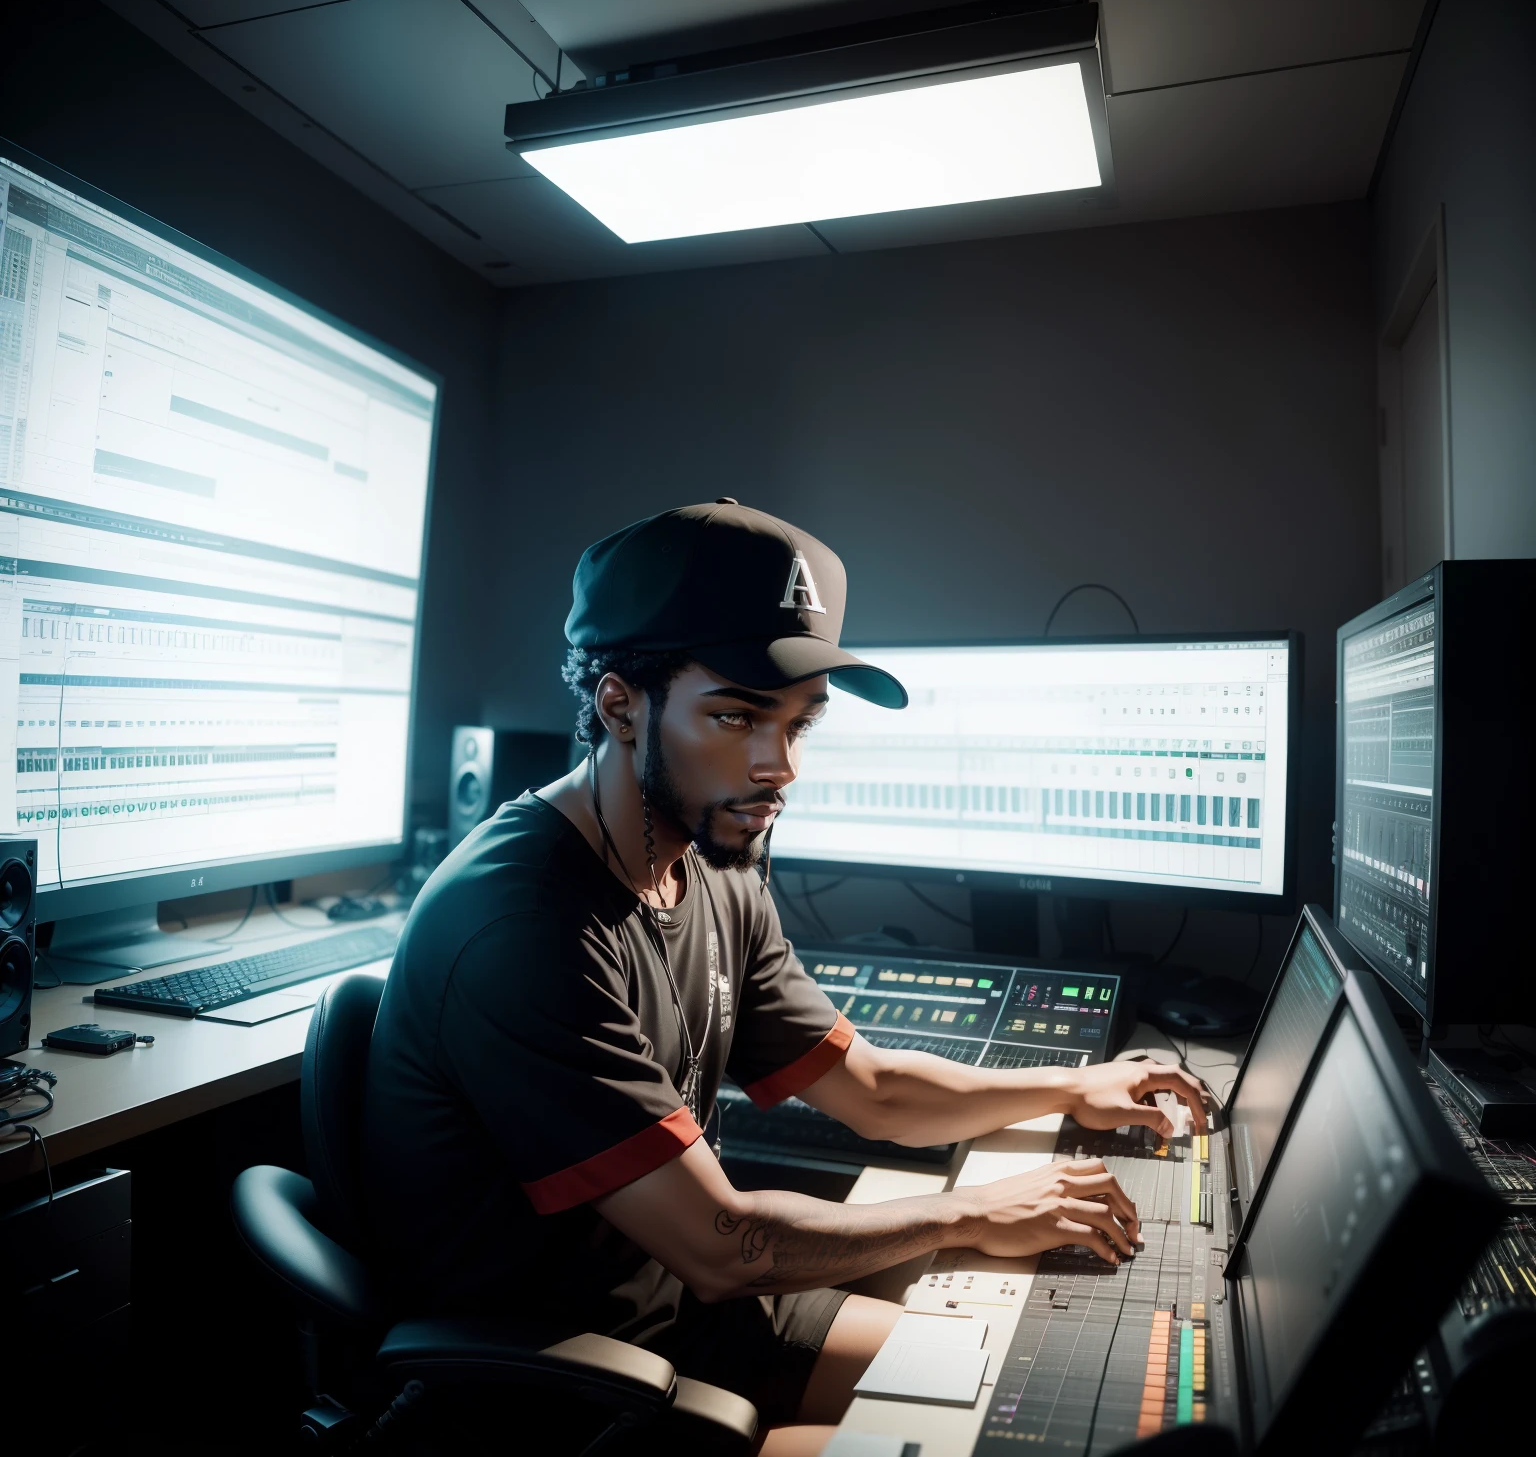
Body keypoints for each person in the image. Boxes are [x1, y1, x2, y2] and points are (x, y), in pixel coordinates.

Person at [362, 500, 1207, 1455]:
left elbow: (871, 1088)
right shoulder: (522, 926)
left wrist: (1071, 1084)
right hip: (564, 1392)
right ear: (620, 704)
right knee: (980, 1441)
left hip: (691, 1315)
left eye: (801, 723)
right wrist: (975, 1209)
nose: (779, 766)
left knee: (1019, 1392)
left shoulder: (711, 857)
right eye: (736, 717)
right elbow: (723, 1244)